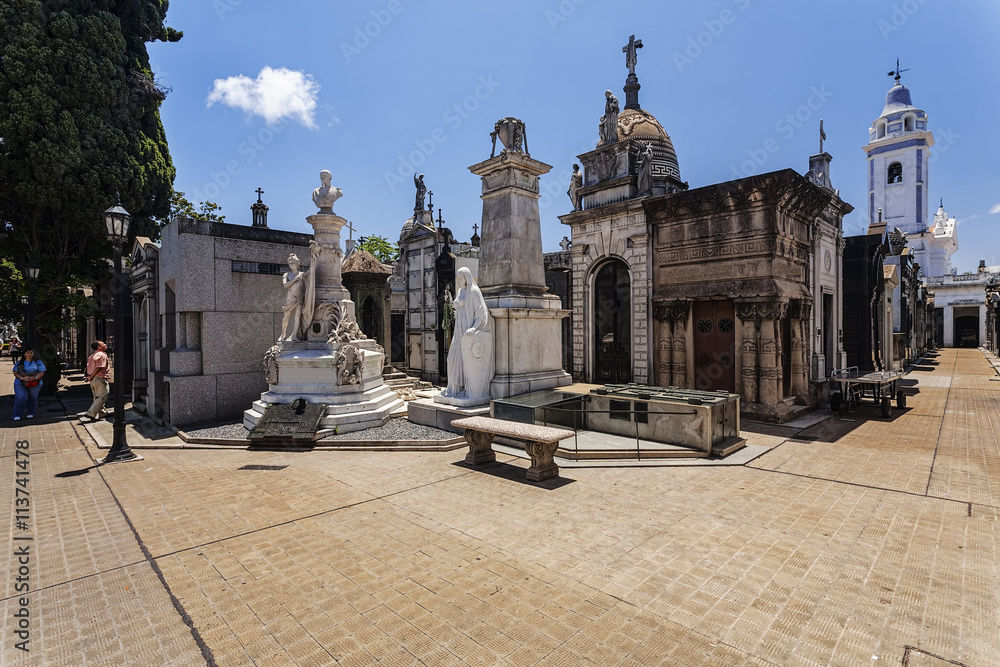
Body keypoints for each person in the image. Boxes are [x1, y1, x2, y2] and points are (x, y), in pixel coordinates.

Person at [442, 267, 494, 400]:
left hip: (468, 332)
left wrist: (473, 328)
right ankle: (454, 388)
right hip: (459, 331)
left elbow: (481, 313)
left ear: (467, 277)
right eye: (458, 278)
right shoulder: (460, 291)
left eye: (462, 277)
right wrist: (449, 301)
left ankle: (466, 389)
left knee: (466, 363)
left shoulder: (474, 291)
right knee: (452, 359)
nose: (460, 280)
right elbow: (456, 308)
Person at [11, 346, 45, 421]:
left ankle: (31, 412)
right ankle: (17, 414)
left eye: (31, 352)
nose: (29, 354)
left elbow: (42, 372)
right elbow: (15, 372)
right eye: (27, 353)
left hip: (34, 383)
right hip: (20, 382)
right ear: (24, 354)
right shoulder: (19, 363)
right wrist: (22, 378)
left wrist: (35, 378)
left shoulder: (38, 362)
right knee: (21, 397)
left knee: (33, 397)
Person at [280, 254, 308, 341]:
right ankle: (283, 334)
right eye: (289, 263)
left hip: (299, 298)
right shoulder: (286, 274)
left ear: (297, 264)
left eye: (292, 263)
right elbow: (285, 285)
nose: (291, 265)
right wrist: (295, 279)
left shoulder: (302, 274)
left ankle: (294, 335)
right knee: (286, 316)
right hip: (290, 298)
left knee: (297, 317)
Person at [81, 340, 110, 423]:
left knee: (97, 396)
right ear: (99, 347)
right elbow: (99, 368)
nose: (105, 344)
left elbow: (89, 368)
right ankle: (91, 413)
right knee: (103, 395)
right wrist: (92, 376)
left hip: (93, 379)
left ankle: (102, 413)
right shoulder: (102, 355)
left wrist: (89, 377)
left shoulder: (92, 356)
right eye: (103, 344)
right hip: (99, 378)